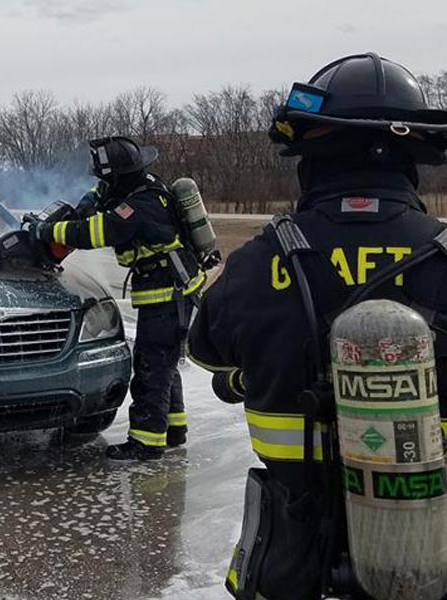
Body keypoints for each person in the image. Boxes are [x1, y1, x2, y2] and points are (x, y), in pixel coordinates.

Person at [186, 53, 447, 600]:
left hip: (294, 562)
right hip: (432, 556)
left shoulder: (259, 261)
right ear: (409, 160)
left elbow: (206, 353)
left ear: (313, 161)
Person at [31, 136, 206, 461]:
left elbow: (94, 232)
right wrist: (85, 204)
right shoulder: (141, 186)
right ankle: (173, 429)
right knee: (164, 363)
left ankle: (146, 443)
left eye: (105, 178)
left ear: (119, 176)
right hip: (172, 291)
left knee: (152, 367)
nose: (102, 184)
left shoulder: (140, 206)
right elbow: (98, 198)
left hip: (167, 294)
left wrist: (46, 231)